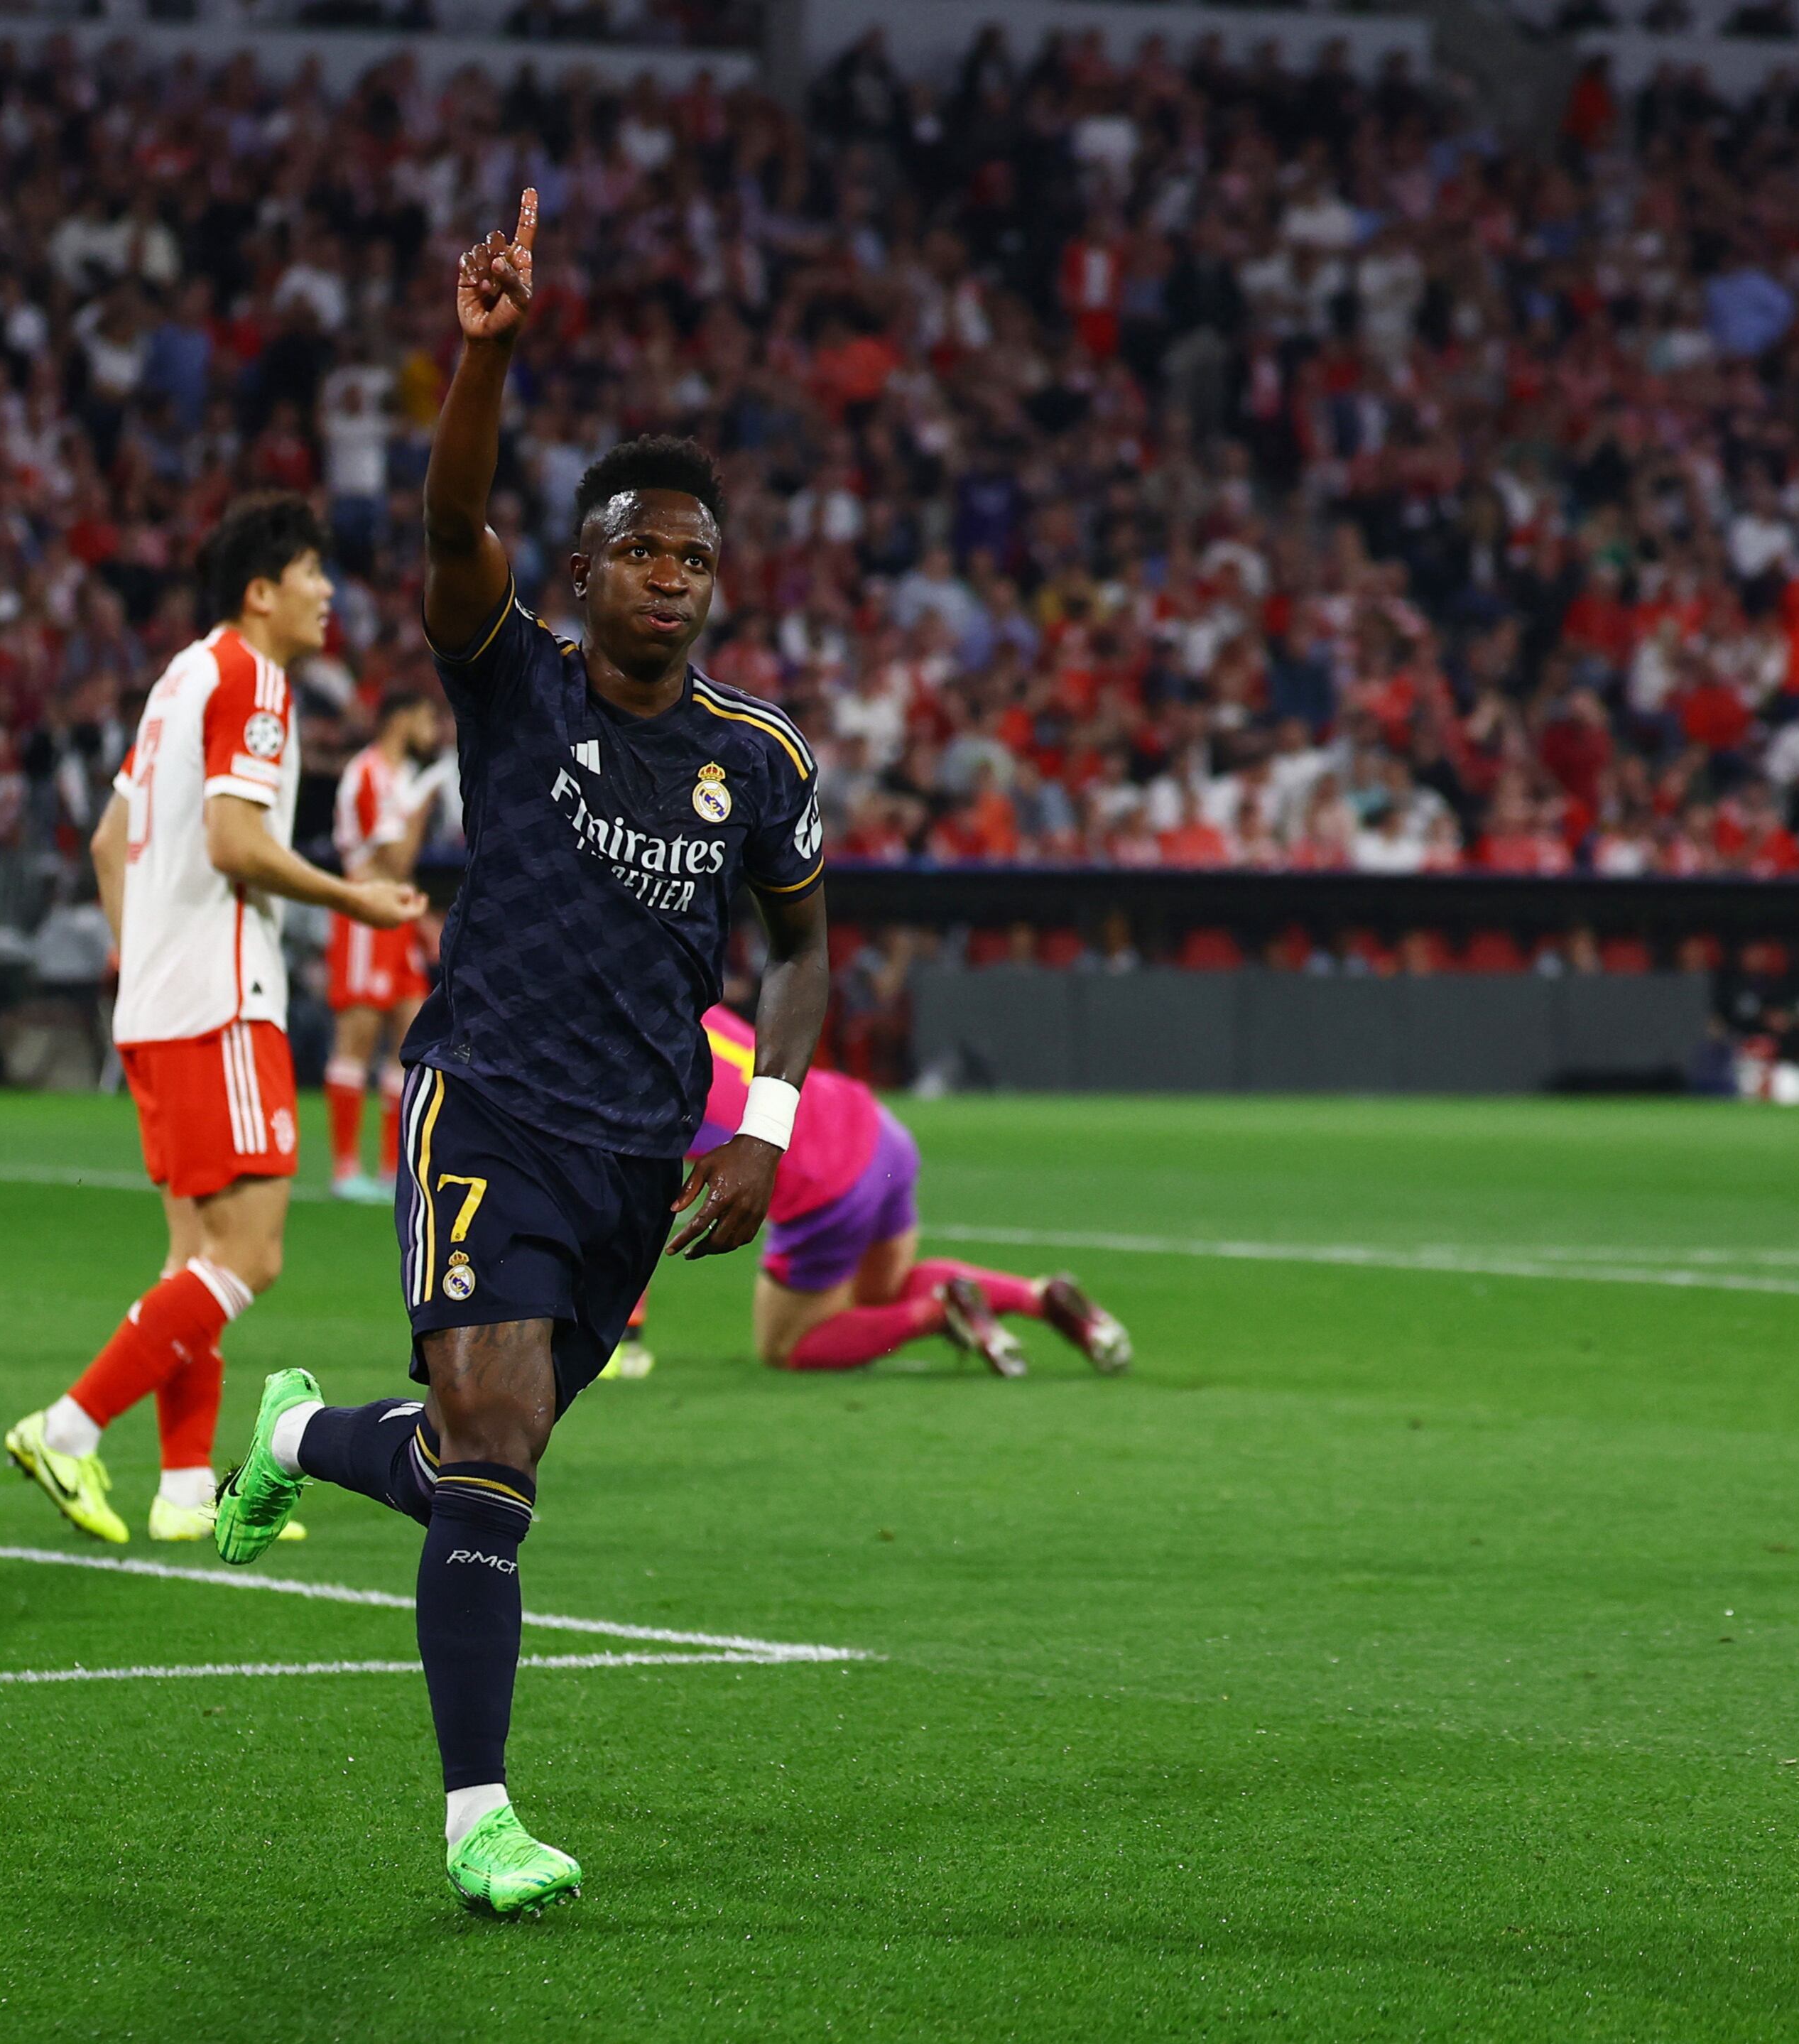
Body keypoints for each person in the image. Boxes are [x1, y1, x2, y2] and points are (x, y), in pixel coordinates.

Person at [211, 191, 833, 1915]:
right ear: (585, 566)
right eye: (640, 550)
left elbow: (800, 942)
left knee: (484, 1458)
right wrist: (482, 355)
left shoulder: (757, 758)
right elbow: (447, 514)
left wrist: (764, 1122)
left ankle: (305, 1438)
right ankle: (476, 1814)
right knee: (489, 1439)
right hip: (484, 1094)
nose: (670, 580)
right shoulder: (515, 680)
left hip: (640, 1157)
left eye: (695, 559)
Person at [3, 496, 425, 1543]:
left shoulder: (177, 679)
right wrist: (355, 897)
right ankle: (68, 1426)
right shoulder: (251, 678)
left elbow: (111, 843)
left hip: (157, 1003)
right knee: (253, 1253)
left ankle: (186, 1485)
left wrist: (144, 961)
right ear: (261, 590)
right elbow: (235, 844)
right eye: (314, 573)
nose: (330, 593)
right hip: (224, 1002)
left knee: (194, 1251)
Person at [605, 1005, 1131, 1381]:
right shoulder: (688, 1004)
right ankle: (1040, 1296)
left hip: (826, 1179)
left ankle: (936, 1311)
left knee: (786, 1347)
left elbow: (637, 1202)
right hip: (877, 1130)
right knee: (881, 1294)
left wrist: (626, 1334)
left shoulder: (636, 1067)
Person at [324, 687, 447, 1200]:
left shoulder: (395, 777)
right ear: (402, 719)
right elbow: (394, 860)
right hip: (363, 919)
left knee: (406, 1042)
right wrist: (424, 802)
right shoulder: (371, 773)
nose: (433, 731)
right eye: (425, 718)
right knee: (357, 1035)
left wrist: (420, 921)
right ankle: (345, 1168)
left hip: (394, 919)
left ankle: (391, 1168)